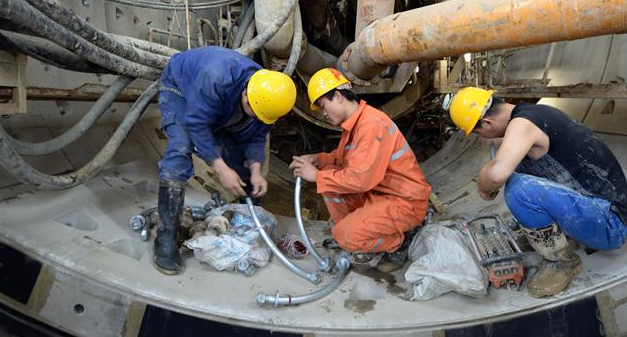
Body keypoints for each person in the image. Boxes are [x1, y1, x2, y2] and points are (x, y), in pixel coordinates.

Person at [447, 87, 627, 297]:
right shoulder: (533, 114)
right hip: (599, 208)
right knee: (517, 167)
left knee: (519, 189)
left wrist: (483, 183)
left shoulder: (522, 125)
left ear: (488, 123)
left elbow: (496, 175)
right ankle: (556, 236)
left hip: (611, 225)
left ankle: (561, 262)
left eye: (477, 131)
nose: (480, 137)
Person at [154, 46, 296, 275]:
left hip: (220, 102)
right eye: (254, 112)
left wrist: (256, 170)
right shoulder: (215, 77)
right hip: (180, 89)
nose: (258, 118)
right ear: (245, 95)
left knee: (240, 162)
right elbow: (197, 124)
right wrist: (220, 168)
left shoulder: (267, 95)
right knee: (179, 152)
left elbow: (257, 134)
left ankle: (248, 221)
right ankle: (166, 239)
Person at [290, 68, 431, 271]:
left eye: (323, 106)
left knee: (344, 235)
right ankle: (357, 231)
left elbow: (360, 180)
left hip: (405, 203)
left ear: (338, 96)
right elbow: (341, 160)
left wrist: (316, 175)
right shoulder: (356, 124)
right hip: (380, 194)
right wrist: (317, 159)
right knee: (330, 177)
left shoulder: (371, 124)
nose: (323, 114)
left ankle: (399, 242)